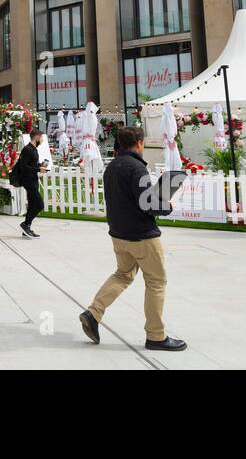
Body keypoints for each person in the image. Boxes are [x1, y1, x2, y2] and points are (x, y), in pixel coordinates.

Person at [78, 126, 186, 352]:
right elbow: (147, 203)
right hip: (142, 235)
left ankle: (94, 312)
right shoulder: (137, 168)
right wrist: (166, 206)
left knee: (123, 274)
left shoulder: (112, 167)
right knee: (156, 282)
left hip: (118, 233)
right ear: (139, 143)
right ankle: (156, 336)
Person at [16, 128, 47, 238]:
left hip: (33, 179)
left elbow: (31, 165)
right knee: (39, 204)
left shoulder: (34, 149)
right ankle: (25, 224)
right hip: (28, 180)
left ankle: (26, 228)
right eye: (42, 138)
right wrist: (38, 170)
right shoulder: (27, 149)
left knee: (32, 204)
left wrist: (40, 166)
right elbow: (23, 166)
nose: (42, 140)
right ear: (37, 137)